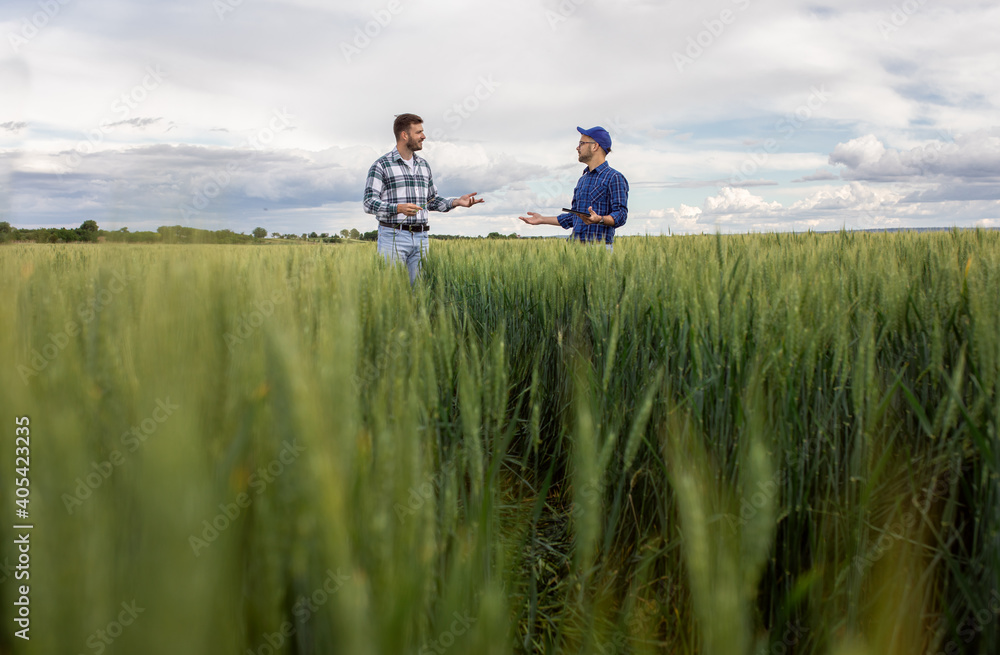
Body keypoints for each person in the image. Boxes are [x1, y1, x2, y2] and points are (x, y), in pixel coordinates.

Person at [363, 113, 484, 284]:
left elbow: (431, 200)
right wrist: (398, 208)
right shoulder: (381, 165)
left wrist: (456, 202)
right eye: (419, 132)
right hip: (393, 237)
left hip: (421, 238)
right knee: (392, 294)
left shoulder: (423, 165)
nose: (424, 136)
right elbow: (368, 203)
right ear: (404, 135)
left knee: (419, 295)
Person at [519, 126, 628, 250]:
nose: (577, 147)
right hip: (574, 248)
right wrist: (542, 219)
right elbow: (574, 218)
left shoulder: (614, 177)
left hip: (599, 249)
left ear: (595, 146)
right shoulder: (583, 179)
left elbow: (621, 215)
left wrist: (599, 219)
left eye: (581, 143)